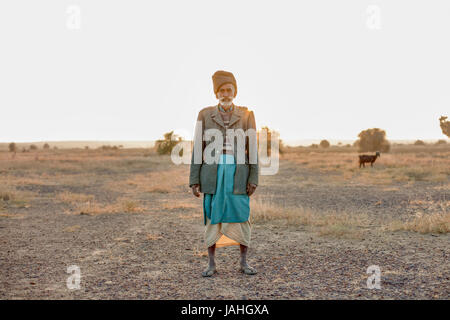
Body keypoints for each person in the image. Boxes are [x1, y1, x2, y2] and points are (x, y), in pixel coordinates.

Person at [189, 70, 259, 277]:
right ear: (216, 93)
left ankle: (244, 263)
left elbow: (253, 149)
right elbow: (197, 148)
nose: (226, 94)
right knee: (212, 217)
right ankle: (211, 264)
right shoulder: (204, 114)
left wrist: (253, 178)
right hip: (212, 174)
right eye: (222, 91)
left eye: (229, 90)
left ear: (235, 92)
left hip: (239, 174)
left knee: (241, 215)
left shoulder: (247, 115)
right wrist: (194, 179)